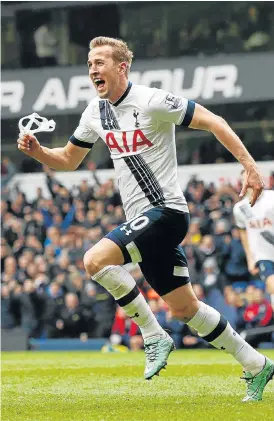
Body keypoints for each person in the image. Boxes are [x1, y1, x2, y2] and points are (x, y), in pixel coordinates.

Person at [17, 36, 273, 401]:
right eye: (90, 63)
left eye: (100, 62)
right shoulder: (95, 112)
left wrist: (250, 166)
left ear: (122, 67)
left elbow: (215, 121)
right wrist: (40, 151)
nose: (92, 69)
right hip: (145, 222)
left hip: (167, 212)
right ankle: (256, 364)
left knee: (94, 259)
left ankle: (152, 335)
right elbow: (69, 160)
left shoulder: (153, 101)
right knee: (186, 309)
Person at [233, 170, 274, 310]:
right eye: (244, 181)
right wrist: (250, 258)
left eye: (249, 180)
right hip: (263, 255)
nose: (247, 184)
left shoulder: (272, 198)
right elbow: (243, 233)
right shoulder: (240, 209)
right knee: (272, 284)